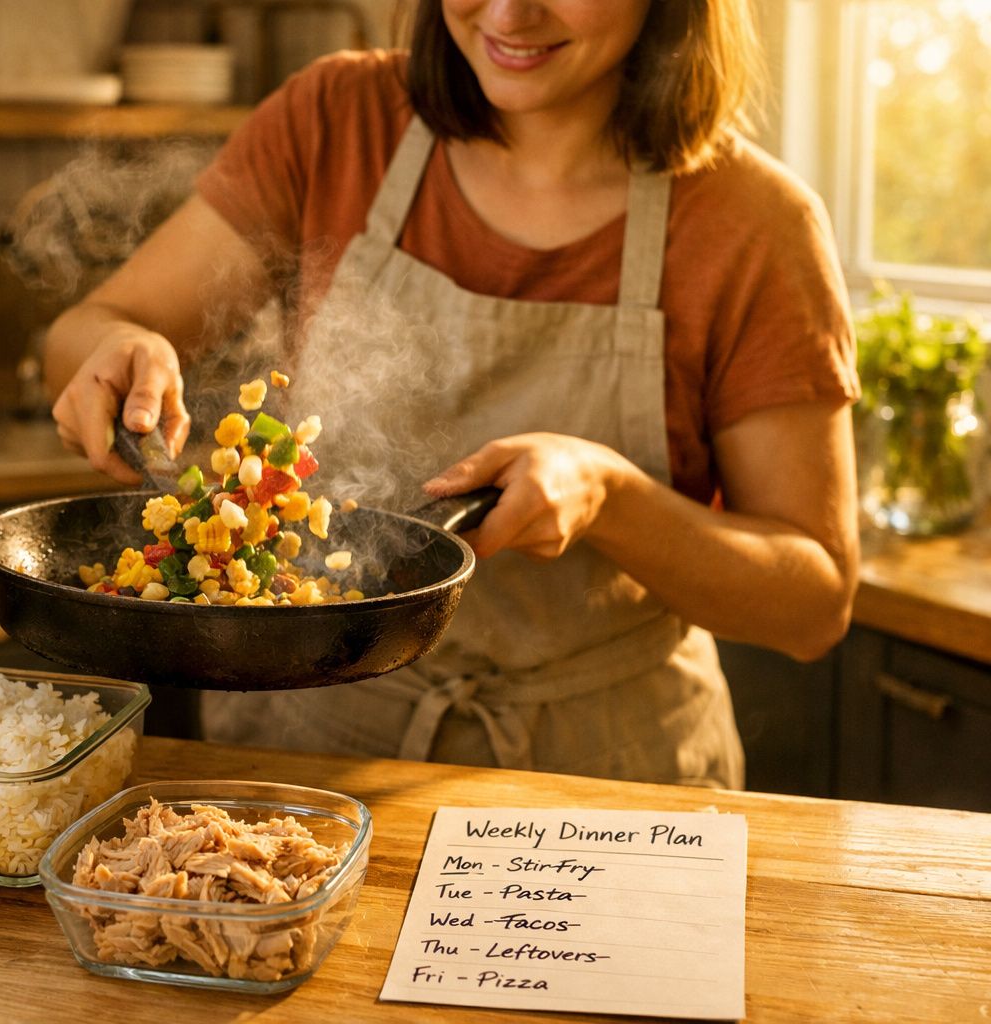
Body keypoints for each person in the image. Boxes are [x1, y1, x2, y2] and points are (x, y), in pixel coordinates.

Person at [42, 0, 860, 788]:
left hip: (608, 769)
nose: (508, 14)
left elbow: (812, 604)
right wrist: (118, 350)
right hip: (313, 740)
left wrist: (613, 498)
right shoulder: (340, 118)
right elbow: (85, 335)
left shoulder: (755, 221)